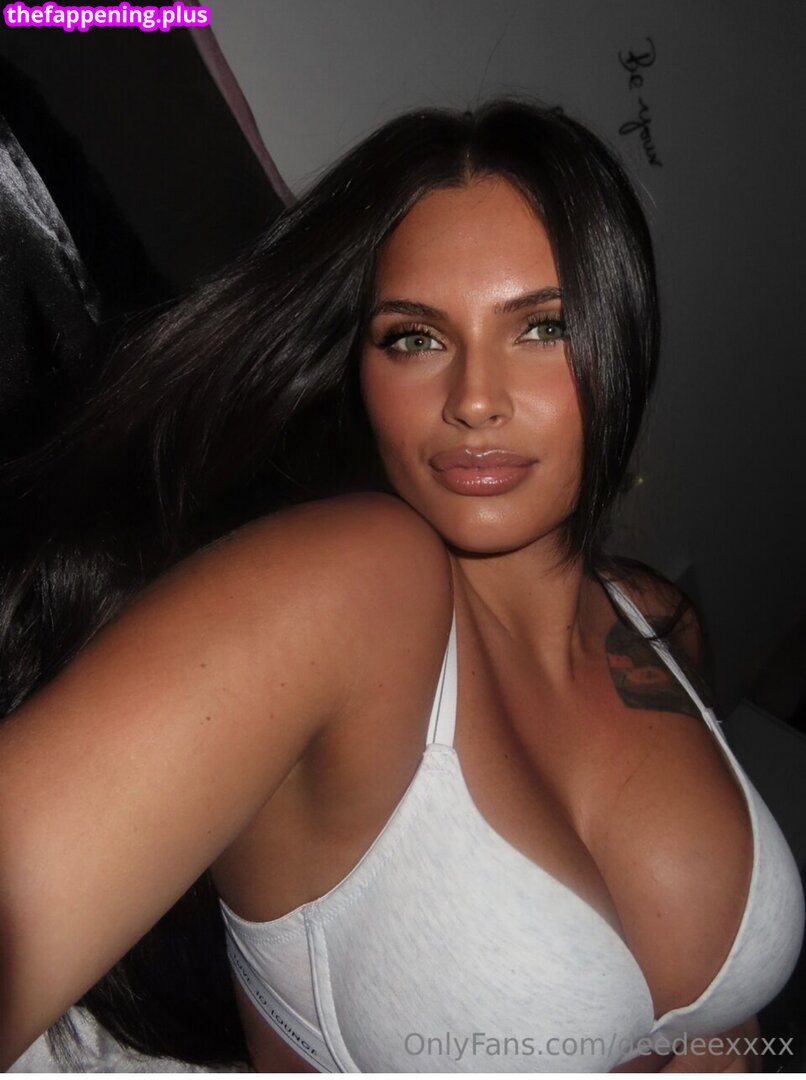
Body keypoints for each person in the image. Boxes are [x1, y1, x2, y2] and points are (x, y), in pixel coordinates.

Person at [1, 99, 803, 1074]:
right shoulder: (352, 583)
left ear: (622, 342)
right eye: (414, 338)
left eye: (542, 326)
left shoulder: (660, 624)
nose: (474, 399)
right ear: (359, 369)